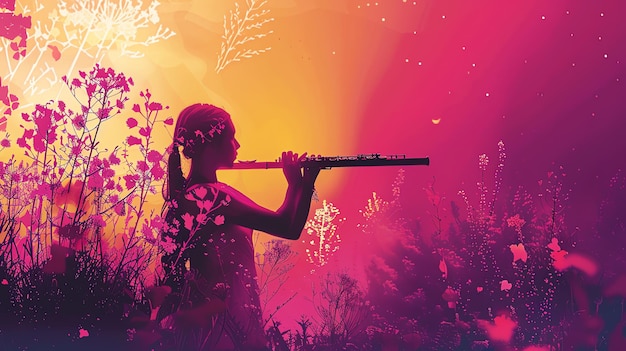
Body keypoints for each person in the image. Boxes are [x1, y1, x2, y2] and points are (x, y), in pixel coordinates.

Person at [159, 103, 320, 350]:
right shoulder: (211, 197)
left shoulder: (198, 194)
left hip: (218, 318)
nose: (237, 146)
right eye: (231, 138)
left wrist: (300, 184)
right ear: (211, 145)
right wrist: (300, 183)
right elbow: (287, 226)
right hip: (225, 324)